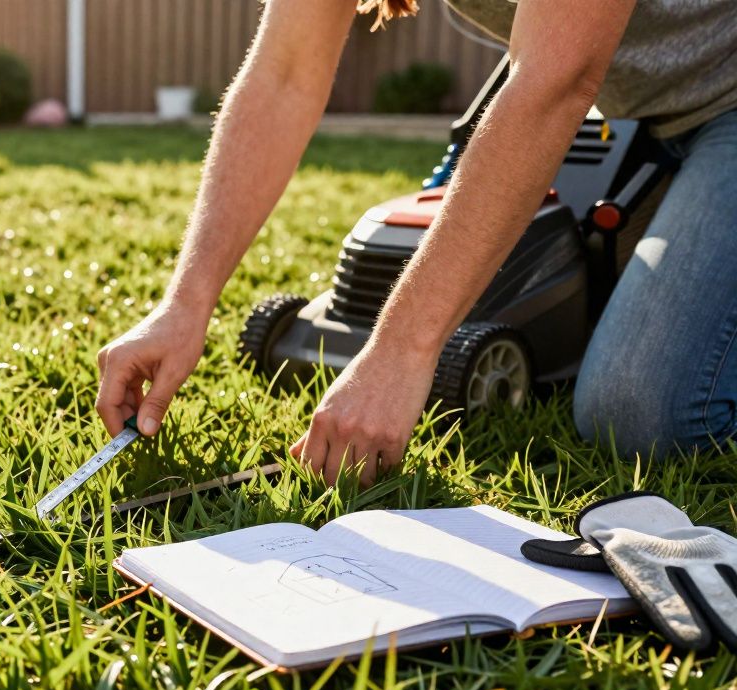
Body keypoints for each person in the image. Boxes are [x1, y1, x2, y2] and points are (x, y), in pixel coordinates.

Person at [95, 0, 737, 487]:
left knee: (644, 418)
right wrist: (185, 302)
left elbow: (555, 81)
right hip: (646, 117)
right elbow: (283, 76)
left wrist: (403, 350)